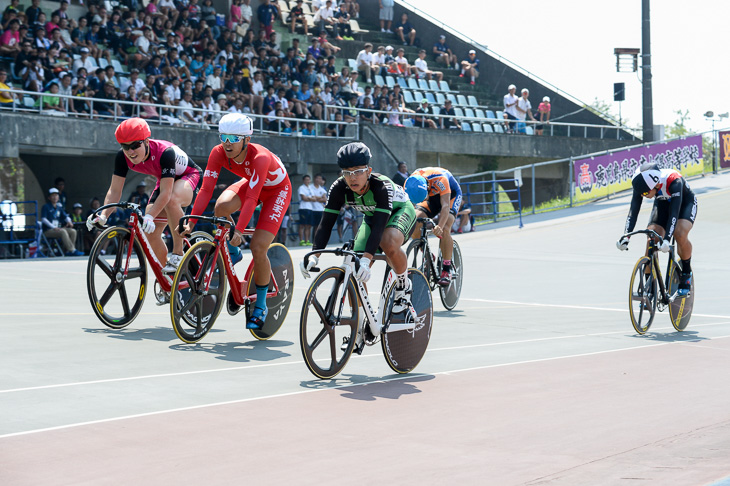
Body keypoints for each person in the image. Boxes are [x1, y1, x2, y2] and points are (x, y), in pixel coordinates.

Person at [179, 113, 291, 329]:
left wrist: (239, 230)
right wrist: (190, 223)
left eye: (233, 138)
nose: (227, 143)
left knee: (259, 248)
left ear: (246, 140)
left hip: (276, 191)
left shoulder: (260, 157)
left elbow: (251, 198)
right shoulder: (218, 152)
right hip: (252, 183)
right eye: (223, 137)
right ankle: (233, 252)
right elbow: (205, 189)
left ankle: (261, 305)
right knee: (220, 208)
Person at [301, 142, 417, 316]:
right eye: (347, 173)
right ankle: (362, 322)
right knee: (355, 269)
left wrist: (367, 259)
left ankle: (403, 285)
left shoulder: (380, 186)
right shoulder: (339, 188)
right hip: (371, 217)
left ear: (368, 171)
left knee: (387, 241)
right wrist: (314, 255)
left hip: (399, 211)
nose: (352, 178)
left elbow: (379, 227)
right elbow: (326, 224)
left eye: (358, 171)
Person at [87, 118, 202, 273]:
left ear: (147, 141)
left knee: (172, 200)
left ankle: (178, 254)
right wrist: (103, 216)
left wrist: (150, 216)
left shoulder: (165, 153)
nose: (130, 151)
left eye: (135, 145)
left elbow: (166, 193)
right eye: (125, 146)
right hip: (165, 179)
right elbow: (114, 191)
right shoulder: (122, 157)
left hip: (188, 175)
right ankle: (168, 279)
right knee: (150, 232)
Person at [617, 163, 697, 297]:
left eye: (645, 193)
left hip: (684, 203)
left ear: (655, 185)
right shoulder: (643, 184)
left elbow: (674, 214)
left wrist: (666, 239)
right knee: (651, 238)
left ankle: (686, 272)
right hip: (663, 202)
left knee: (679, 233)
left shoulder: (674, 180)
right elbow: (633, 211)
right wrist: (626, 236)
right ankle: (650, 283)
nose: (643, 195)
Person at [404, 167, 463, 286]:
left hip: (450, 196)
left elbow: (445, 206)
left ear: (426, 188)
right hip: (430, 197)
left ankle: (447, 269)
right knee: (414, 221)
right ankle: (428, 256)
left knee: (445, 227)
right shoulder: (409, 183)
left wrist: (439, 226)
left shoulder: (440, 179)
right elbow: (407, 206)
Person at [42, 187, 83, 257]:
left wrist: (69, 221)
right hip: (48, 230)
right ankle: (72, 250)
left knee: (73, 231)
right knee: (63, 231)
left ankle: (68, 250)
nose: (55, 197)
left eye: (56, 195)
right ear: (49, 197)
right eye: (53, 195)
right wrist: (53, 227)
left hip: (57, 229)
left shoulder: (59, 207)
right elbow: (44, 219)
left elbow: (65, 216)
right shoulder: (46, 207)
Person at [298, 174, 315, 245]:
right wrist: (310, 198)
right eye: (306, 180)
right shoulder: (301, 188)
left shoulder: (311, 188)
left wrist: (309, 198)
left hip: (310, 208)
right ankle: (301, 241)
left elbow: (314, 198)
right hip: (303, 208)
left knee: (309, 225)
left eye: (308, 180)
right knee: (302, 225)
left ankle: (307, 240)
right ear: (303, 180)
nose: (307, 181)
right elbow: (303, 198)